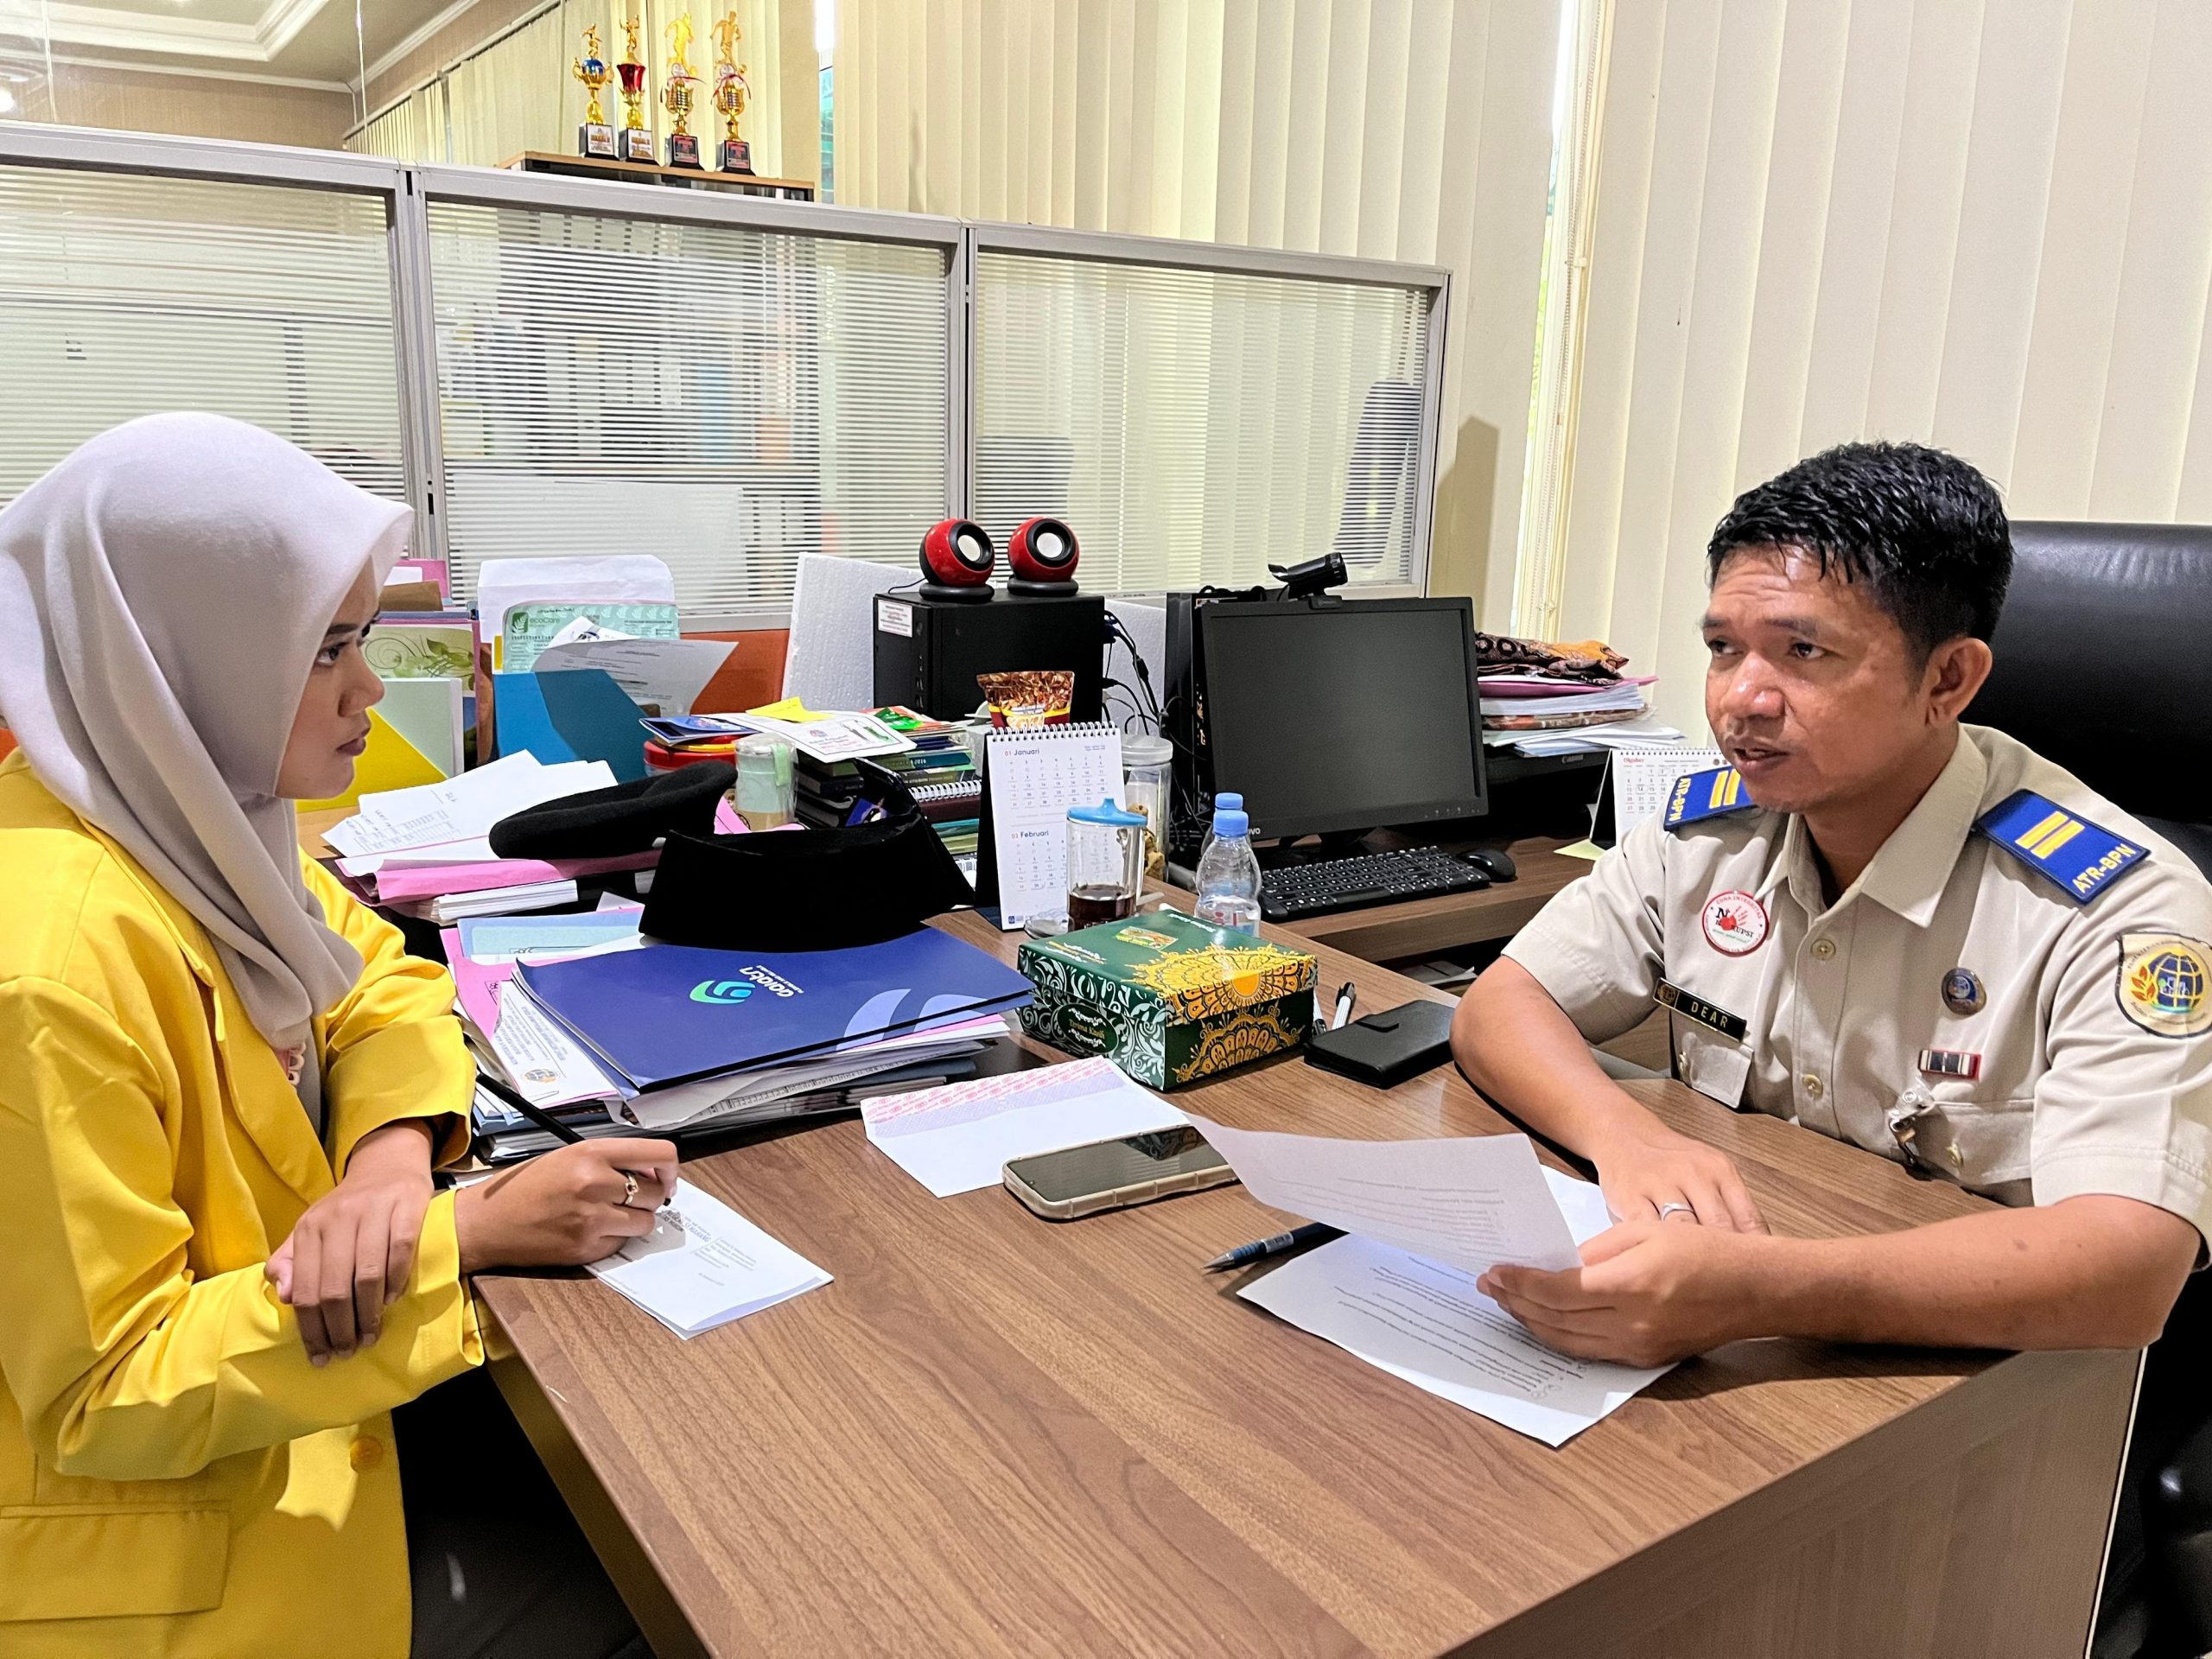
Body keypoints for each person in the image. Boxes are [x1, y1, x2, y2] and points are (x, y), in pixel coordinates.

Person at [0, 415, 675, 1658]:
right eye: (325, 651)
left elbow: (379, 982)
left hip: (291, 1435)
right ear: (173, 659)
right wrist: (465, 1235)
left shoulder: (187, 815)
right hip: (184, 1568)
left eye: (360, 641)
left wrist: (387, 1162)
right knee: (661, 1593)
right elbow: (109, 1394)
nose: (367, 689)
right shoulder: (49, 971)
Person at [1452, 441, 2212, 1364]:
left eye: (1802, 651)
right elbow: (1502, 1004)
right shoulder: (1713, 828)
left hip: (1993, 1382)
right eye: (1723, 648)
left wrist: (1761, 1291)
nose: (1740, 700)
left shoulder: (2120, 909)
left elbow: (2127, 1269)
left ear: (1948, 681)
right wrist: (1627, 1140)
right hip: (1757, 1312)